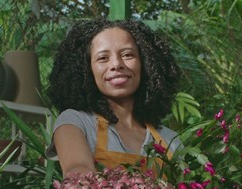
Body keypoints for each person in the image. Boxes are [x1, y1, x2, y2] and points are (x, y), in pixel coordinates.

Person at [45, 18, 182, 176]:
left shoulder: (170, 139)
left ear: (146, 64)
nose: (116, 64)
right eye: (103, 58)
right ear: (85, 69)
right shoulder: (75, 122)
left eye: (128, 55)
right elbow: (77, 175)